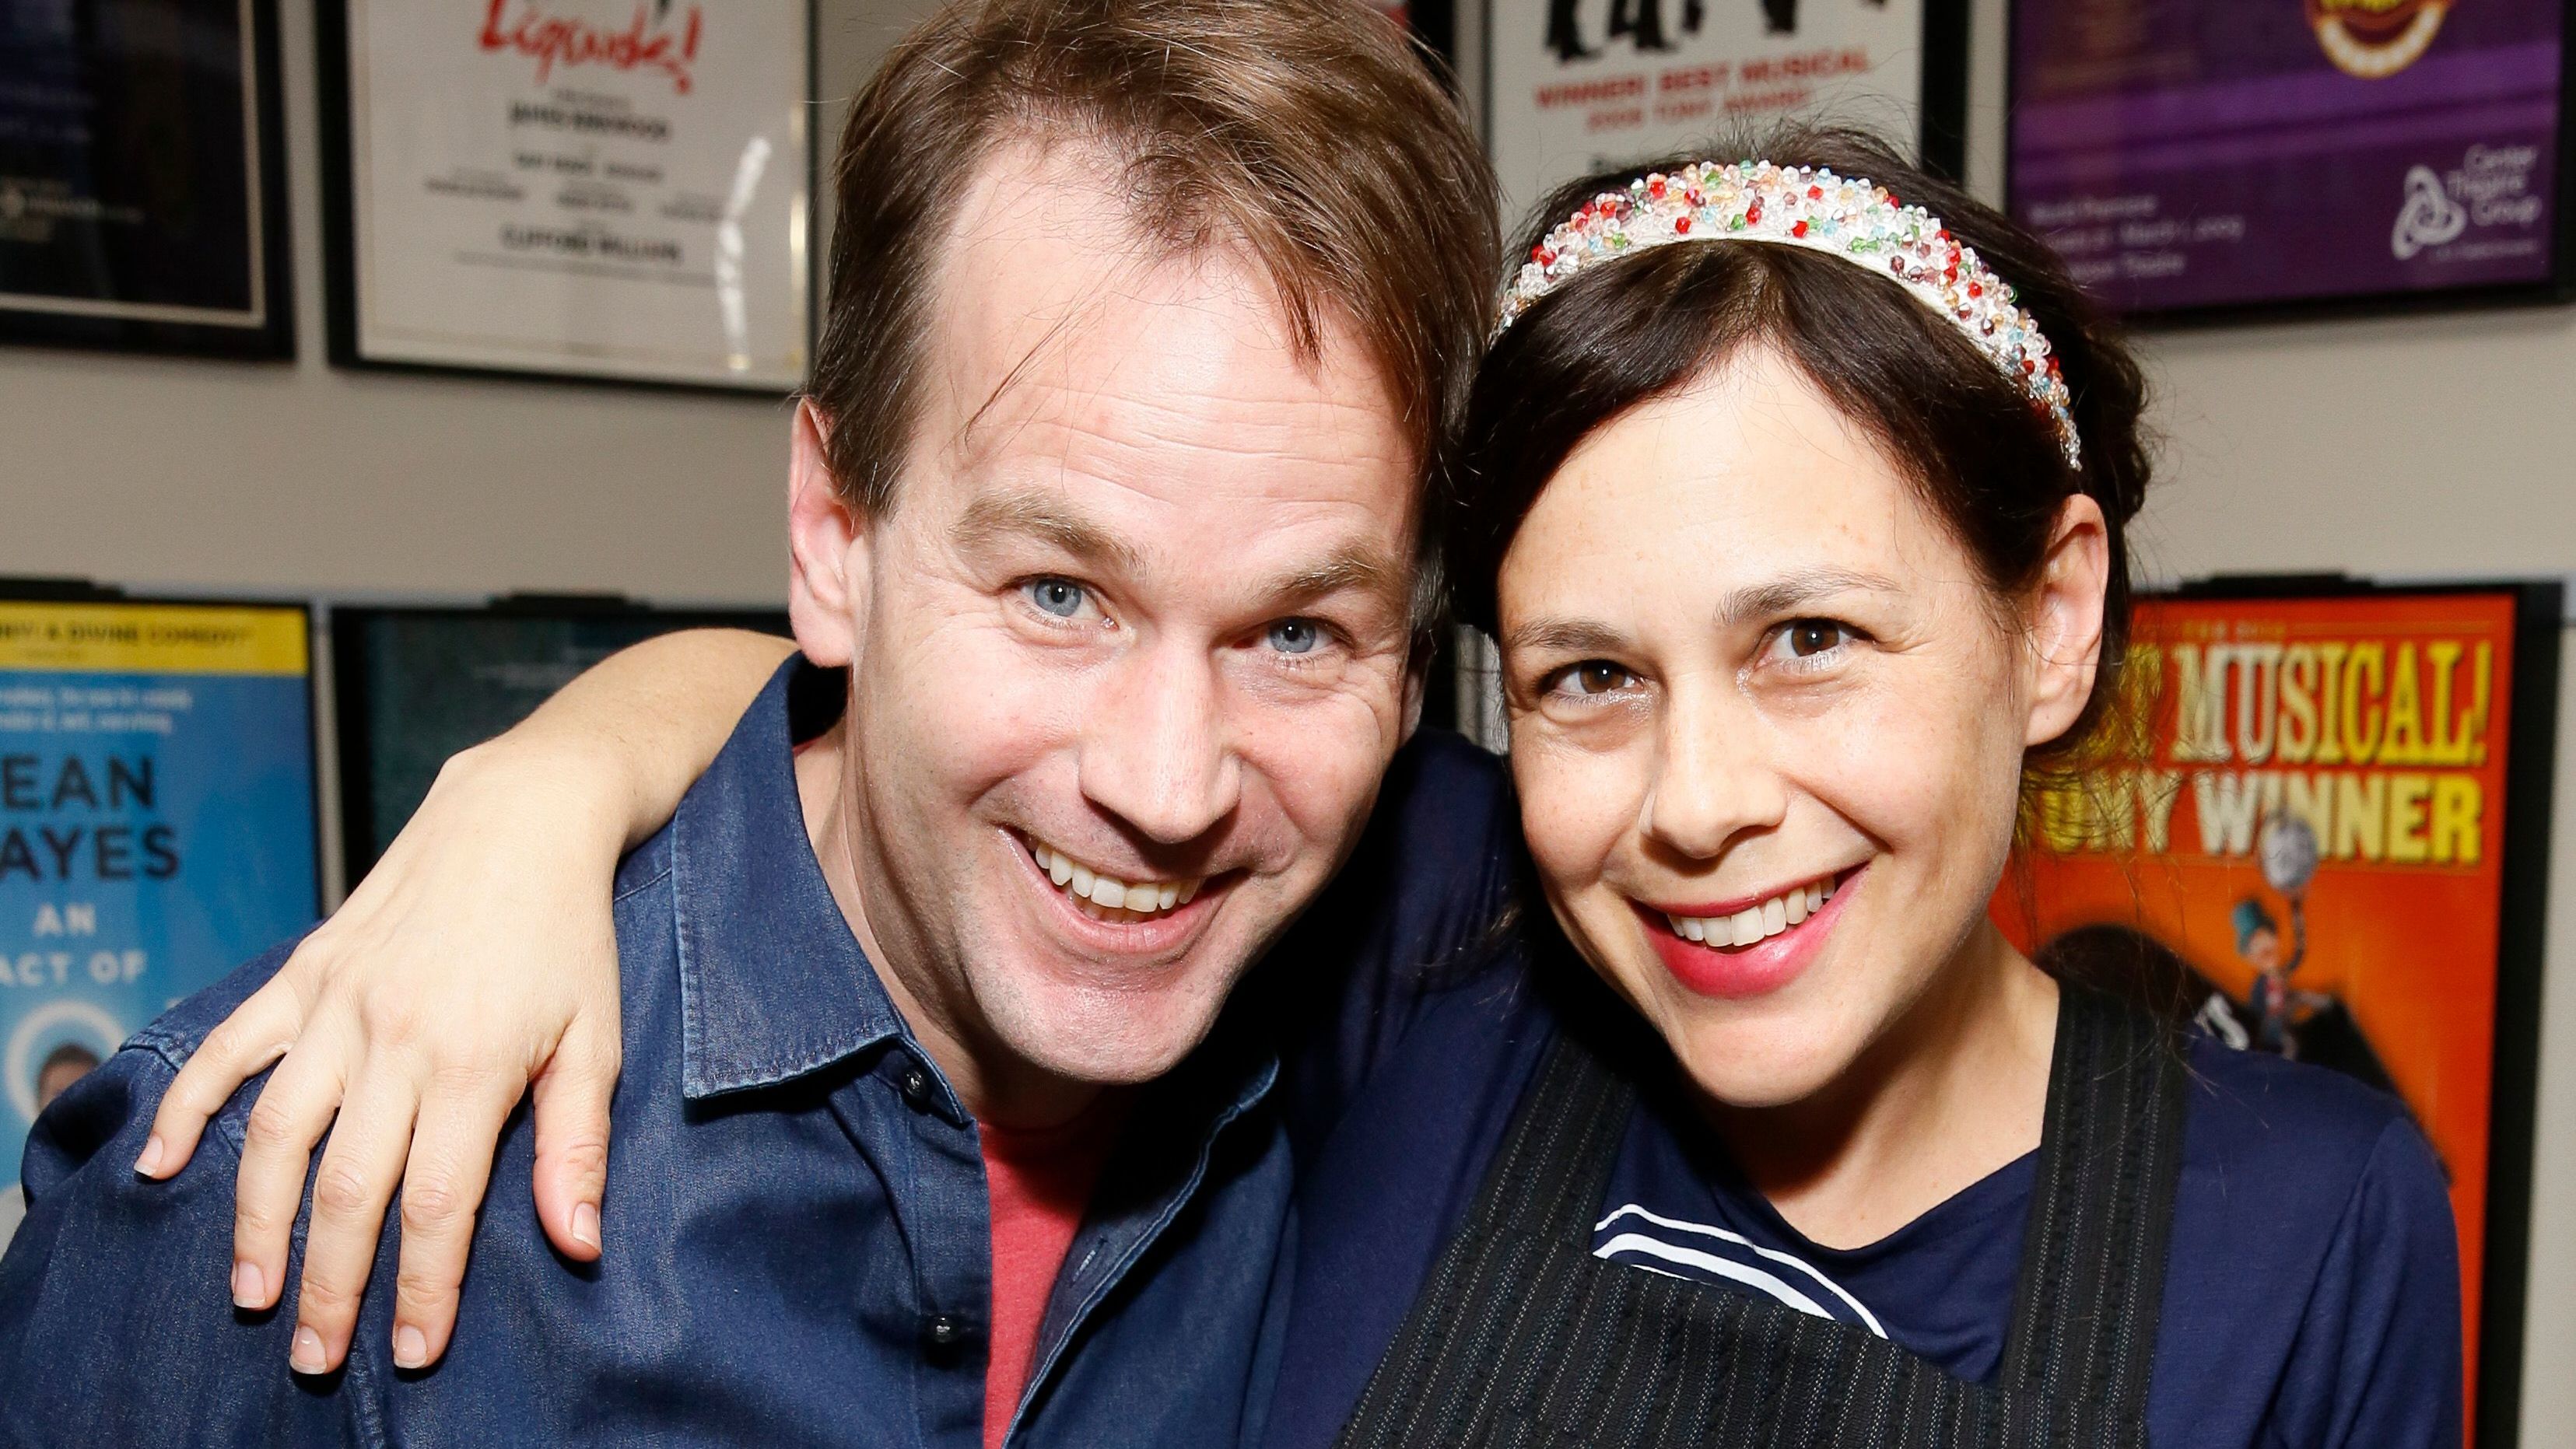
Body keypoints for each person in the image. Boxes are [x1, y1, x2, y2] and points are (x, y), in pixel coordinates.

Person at [55, 135, 2462, 1446]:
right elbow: (991, 717)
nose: (1697, 802)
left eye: (1812, 640)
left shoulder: (2323, 1218)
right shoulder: (1447, 952)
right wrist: (538, 787)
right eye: (1591, 679)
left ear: (2050, 617)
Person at [0, 2, 1502, 1444]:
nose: (1170, 787)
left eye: (1296, 632)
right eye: (1058, 592)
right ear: (833, 536)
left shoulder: (1382, 1037)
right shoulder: (290, 1185)